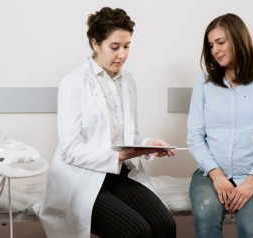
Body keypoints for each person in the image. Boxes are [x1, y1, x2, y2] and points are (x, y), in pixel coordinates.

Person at [36, 7, 176, 238]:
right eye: (115, 47)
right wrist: (119, 155)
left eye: (127, 46)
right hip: (83, 179)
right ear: (95, 44)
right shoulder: (73, 83)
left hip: (120, 174)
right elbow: (70, 150)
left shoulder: (128, 80)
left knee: (166, 226)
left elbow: (129, 136)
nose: (122, 54)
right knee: (136, 231)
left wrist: (150, 143)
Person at [187, 13, 253, 238]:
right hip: (211, 174)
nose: (215, 50)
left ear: (239, 40)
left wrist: (252, 181)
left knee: (250, 230)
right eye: (211, 45)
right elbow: (194, 137)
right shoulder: (203, 84)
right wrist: (217, 175)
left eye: (221, 42)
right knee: (206, 226)